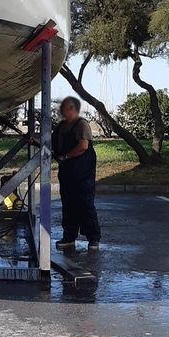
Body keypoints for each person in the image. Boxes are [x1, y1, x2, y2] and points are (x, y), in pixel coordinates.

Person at [52, 96, 101, 251]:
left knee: (85, 204)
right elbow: (52, 144)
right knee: (68, 204)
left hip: (83, 172)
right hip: (67, 172)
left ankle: (93, 238)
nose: (62, 110)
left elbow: (83, 146)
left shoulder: (82, 125)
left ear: (73, 109)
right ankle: (69, 237)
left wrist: (65, 156)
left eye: (66, 107)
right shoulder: (60, 127)